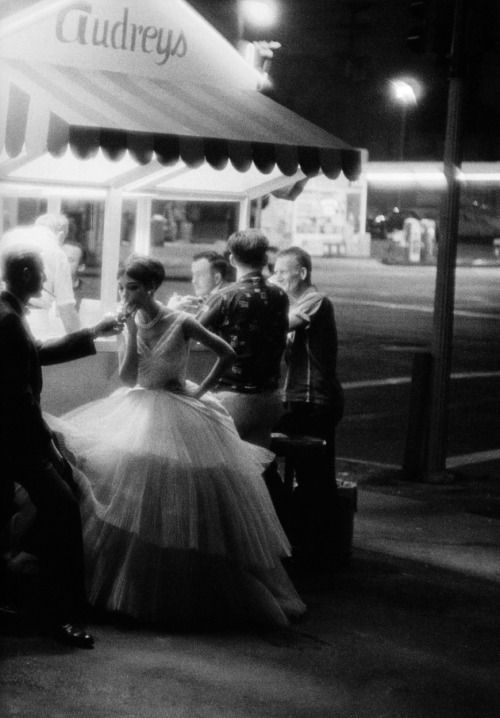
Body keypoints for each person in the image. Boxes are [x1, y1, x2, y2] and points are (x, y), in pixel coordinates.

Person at [47, 254, 305, 628]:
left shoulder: (181, 320)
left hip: (177, 406)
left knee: (180, 487)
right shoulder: (133, 321)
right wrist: (130, 333)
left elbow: (226, 352)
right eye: (122, 287)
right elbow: (126, 376)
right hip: (140, 405)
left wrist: (199, 391)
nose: (126, 294)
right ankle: (129, 584)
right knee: (127, 487)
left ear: (150, 287)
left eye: (132, 287)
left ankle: (187, 587)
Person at [0, 244, 123, 648]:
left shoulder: (10, 313)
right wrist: (48, 443)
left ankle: (17, 601)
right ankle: (62, 616)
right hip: (15, 440)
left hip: (11, 438)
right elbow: (19, 396)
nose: (46, 281)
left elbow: (34, 355)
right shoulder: (8, 318)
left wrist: (91, 333)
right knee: (65, 509)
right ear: (23, 274)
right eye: (40, 272)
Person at [271, 246, 344, 559]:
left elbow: (282, 326)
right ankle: (302, 531)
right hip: (297, 399)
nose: (278, 278)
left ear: (301, 273)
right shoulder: (293, 303)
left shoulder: (315, 301)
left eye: (282, 272)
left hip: (316, 401)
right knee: (293, 462)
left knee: (315, 474)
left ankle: (320, 546)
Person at [198, 229, 289, 450]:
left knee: (225, 470)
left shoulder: (225, 296)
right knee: (255, 471)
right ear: (265, 259)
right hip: (270, 399)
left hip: (234, 399)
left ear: (231, 259)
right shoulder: (280, 295)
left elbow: (191, 330)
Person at [167, 250, 231, 314]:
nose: (193, 281)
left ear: (217, 278)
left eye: (199, 275)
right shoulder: (221, 296)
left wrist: (171, 310)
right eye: (194, 275)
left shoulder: (222, 301)